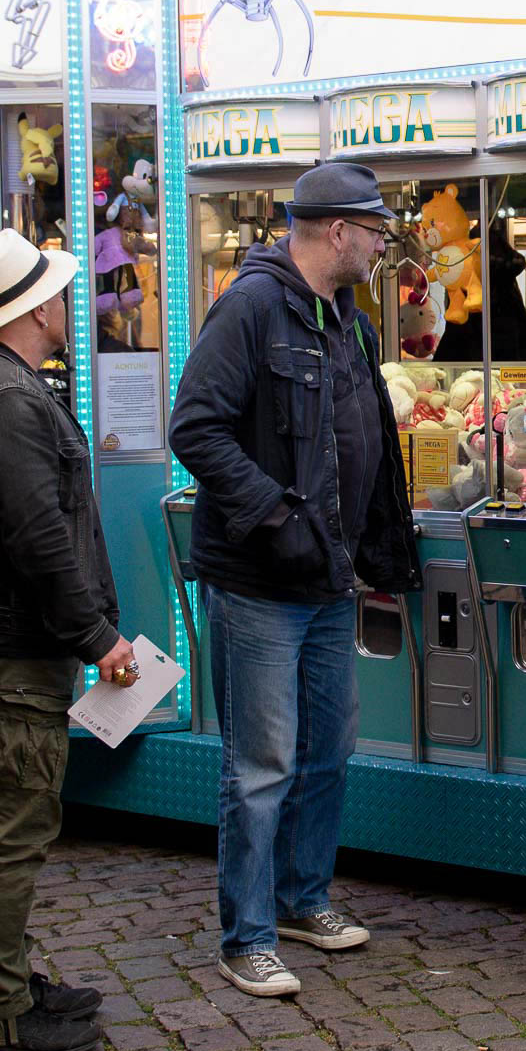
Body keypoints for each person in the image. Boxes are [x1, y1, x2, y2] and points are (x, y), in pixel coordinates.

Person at [169, 162, 419, 999]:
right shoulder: (250, 307)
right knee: (261, 764)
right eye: (375, 231)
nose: (382, 245)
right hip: (260, 584)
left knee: (328, 751)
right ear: (337, 231)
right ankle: (246, 937)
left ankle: (303, 899)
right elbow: (194, 428)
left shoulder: (351, 321)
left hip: (329, 578)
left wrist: (373, 544)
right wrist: (277, 516)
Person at [0, 229, 133, 1051]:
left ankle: (6, 984)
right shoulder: (4, 397)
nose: (67, 305)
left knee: (12, 821)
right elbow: (36, 535)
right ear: (38, 307)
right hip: (10, 648)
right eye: (59, 294)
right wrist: (97, 637)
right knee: (14, 830)